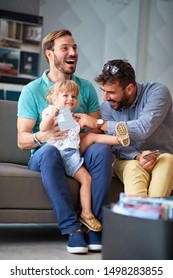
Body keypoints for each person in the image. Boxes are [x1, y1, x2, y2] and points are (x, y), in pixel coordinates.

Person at [17, 29, 113, 255]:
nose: (73, 53)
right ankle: (72, 230)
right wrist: (44, 137)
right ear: (49, 54)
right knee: (50, 152)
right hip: (45, 156)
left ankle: (93, 225)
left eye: (75, 48)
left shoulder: (86, 88)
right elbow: (22, 139)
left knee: (101, 150)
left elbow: (97, 126)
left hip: (75, 151)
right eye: (65, 48)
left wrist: (93, 123)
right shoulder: (32, 91)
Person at [40, 79, 130, 232]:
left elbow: (71, 135)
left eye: (74, 96)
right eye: (65, 95)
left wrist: (78, 125)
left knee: (91, 143)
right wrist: (51, 116)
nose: (70, 99)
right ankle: (84, 215)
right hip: (58, 155)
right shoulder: (51, 111)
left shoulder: (68, 115)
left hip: (71, 153)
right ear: (54, 99)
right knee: (86, 169)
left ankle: (119, 139)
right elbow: (43, 128)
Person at [75, 59, 173, 197]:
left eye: (111, 92)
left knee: (168, 160)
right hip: (128, 160)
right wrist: (137, 156)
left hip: (162, 156)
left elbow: (143, 128)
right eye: (103, 91)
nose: (105, 98)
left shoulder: (156, 92)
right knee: (133, 168)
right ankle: (148, 215)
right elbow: (114, 145)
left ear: (129, 89)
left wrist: (98, 123)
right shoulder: (107, 108)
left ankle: (147, 213)